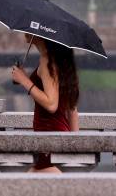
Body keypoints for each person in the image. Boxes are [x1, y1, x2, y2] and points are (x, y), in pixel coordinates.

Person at [10, 33, 80, 173]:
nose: (25, 31)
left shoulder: (47, 61)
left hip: (48, 137)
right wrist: (75, 143)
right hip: (54, 137)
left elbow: (51, 105)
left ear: (41, 33)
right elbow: (72, 109)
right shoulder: (57, 60)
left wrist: (24, 80)